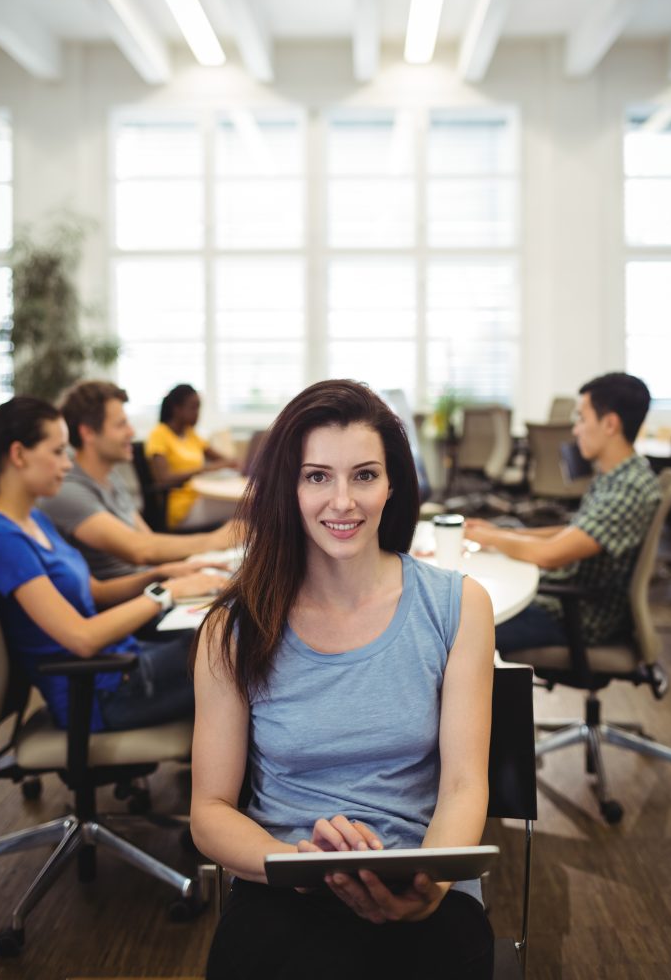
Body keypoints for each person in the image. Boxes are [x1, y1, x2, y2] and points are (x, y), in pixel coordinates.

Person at [190, 380, 496, 980]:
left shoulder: (459, 605)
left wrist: (432, 881)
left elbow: (463, 785)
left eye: (363, 475)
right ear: (289, 486)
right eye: (316, 477)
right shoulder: (232, 629)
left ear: (391, 485)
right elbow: (210, 809)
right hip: (280, 880)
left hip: (420, 874)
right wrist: (297, 864)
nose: (342, 502)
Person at [0, 397, 220, 731]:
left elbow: (95, 592)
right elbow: (82, 638)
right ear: (19, 454)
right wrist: (166, 593)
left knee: (216, 635)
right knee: (234, 651)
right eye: (56, 452)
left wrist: (160, 574)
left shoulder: (35, 519)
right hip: (101, 692)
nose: (67, 465)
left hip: (121, 663)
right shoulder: (2, 539)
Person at [464, 372, 661, 656]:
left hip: (577, 617)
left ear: (610, 424)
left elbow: (551, 554)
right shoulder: (614, 476)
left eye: (581, 418)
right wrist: (501, 533)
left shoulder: (628, 488)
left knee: (458, 631)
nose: (575, 430)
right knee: (466, 609)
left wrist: (492, 539)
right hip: (563, 602)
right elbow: (572, 531)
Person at [41, 380, 237, 584]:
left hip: (152, 588)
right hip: (130, 603)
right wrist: (218, 540)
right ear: (88, 433)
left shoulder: (111, 478)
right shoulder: (69, 490)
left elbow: (148, 541)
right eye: (120, 424)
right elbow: (140, 550)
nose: (132, 432)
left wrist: (189, 569)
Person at [146, 384, 245, 530]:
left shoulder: (191, 434)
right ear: (177, 409)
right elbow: (163, 478)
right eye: (193, 408)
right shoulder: (159, 434)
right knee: (247, 509)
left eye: (199, 408)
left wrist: (236, 463)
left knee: (247, 506)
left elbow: (223, 459)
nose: (197, 413)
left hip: (200, 497)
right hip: (181, 508)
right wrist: (204, 469)